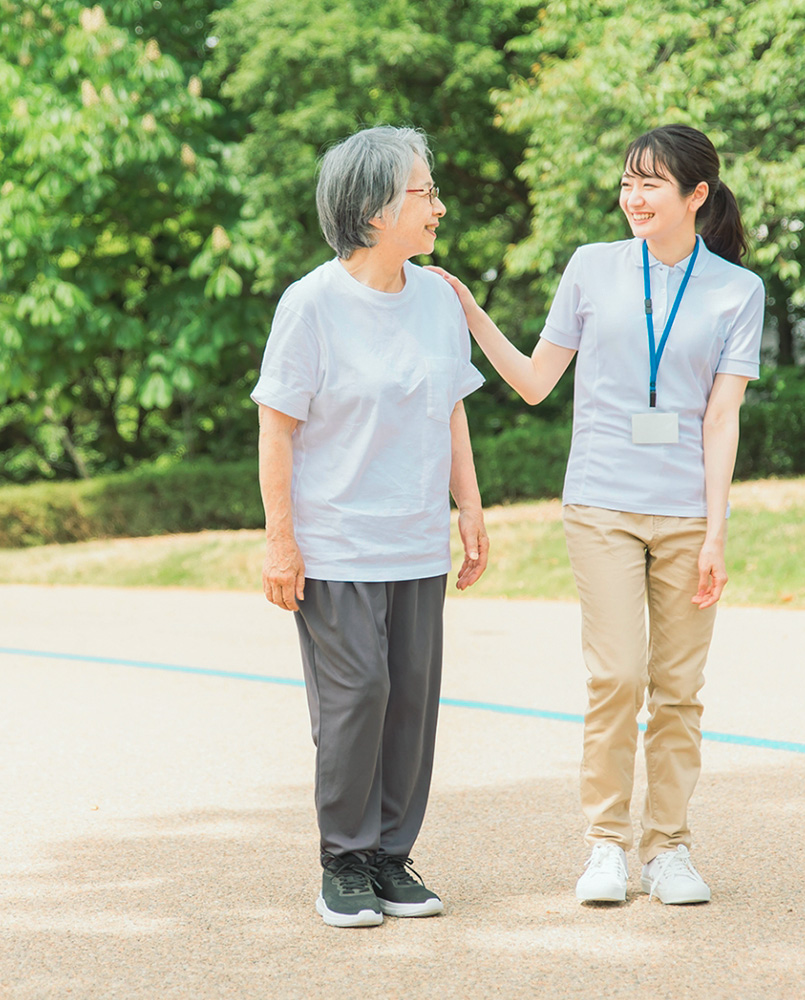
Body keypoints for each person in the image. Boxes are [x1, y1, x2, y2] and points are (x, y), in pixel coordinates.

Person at [429, 124, 764, 907]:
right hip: (601, 504)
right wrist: (474, 312)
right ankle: (607, 845)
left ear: (696, 195)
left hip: (685, 515)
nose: (634, 197)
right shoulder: (590, 267)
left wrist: (717, 530)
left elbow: (722, 419)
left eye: (651, 184)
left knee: (677, 687)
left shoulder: (736, 292)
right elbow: (538, 382)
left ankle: (670, 850)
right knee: (616, 677)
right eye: (627, 182)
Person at [252, 125, 489, 928]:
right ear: (376, 207)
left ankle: (392, 857)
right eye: (424, 192)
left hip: (416, 542)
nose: (438, 206)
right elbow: (277, 427)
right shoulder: (312, 304)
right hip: (338, 545)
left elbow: (450, 407)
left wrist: (471, 508)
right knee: (360, 696)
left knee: (411, 703)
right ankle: (344, 862)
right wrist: (281, 541)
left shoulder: (438, 298)